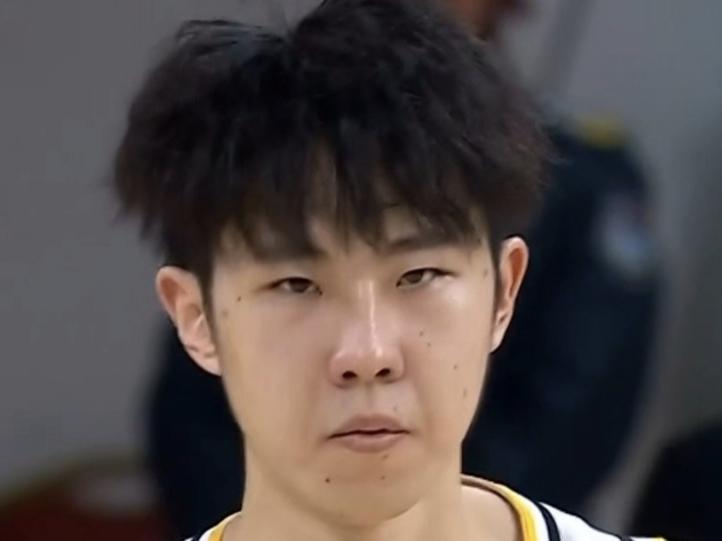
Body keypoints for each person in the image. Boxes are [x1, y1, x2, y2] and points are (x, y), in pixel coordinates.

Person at [113, 0, 664, 539]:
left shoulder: (578, 172)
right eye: (296, 284)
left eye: (419, 275)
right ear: (196, 319)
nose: (368, 353)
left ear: (504, 292)